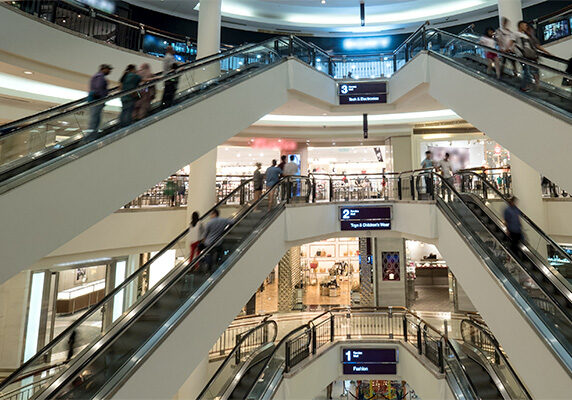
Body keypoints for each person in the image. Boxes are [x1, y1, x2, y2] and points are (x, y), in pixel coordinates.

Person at [87, 64, 112, 133]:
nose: (109, 71)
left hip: (94, 99)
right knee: (95, 120)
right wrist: (103, 95)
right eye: (108, 69)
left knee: (95, 119)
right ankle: (90, 137)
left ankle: (91, 135)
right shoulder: (100, 77)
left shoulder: (97, 76)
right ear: (103, 69)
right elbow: (98, 88)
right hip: (97, 100)